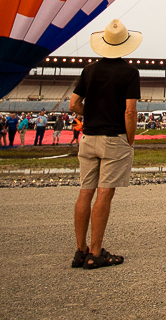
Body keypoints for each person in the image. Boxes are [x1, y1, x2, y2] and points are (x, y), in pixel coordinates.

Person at [69, 19, 141, 270]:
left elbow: (73, 104)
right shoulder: (130, 73)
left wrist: (90, 115)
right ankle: (96, 251)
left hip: (88, 138)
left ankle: (80, 250)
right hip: (114, 138)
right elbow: (130, 111)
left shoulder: (89, 70)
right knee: (105, 193)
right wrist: (130, 139)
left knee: (85, 192)